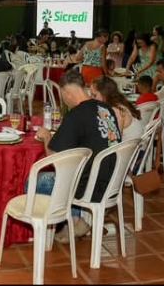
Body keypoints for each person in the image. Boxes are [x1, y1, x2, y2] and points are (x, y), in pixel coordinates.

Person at [32, 69, 122, 243]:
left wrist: (46, 137)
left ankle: (49, 229)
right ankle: (73, 220)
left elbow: (54, 158)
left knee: (35, 180)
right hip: (113, 179)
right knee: (73, 171)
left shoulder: (75, 116)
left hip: (90, 187)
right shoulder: (106, 108)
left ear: (66, 93)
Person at [90, 75, 143, 141]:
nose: (91, 98)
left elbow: (115, 140)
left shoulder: (115, 110)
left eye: (94, 95)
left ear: (105, 94)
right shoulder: (118, 102)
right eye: (91, 94)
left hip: (132, 149)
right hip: (134, 145)